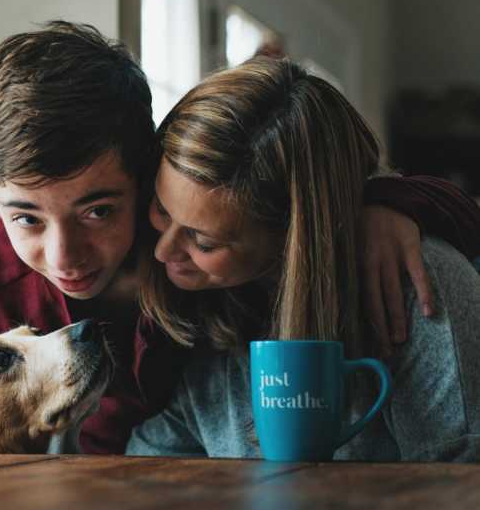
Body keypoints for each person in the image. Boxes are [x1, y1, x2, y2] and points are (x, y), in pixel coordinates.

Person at [0, 22, 480, 454]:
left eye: (98, 211)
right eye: (26, 218)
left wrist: (386, 202)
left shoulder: (199, 258)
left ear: (145, 171)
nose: (64, 256)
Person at [127, 57, 480, 461]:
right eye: (161, 208)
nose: (163, 250)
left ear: (292, 237)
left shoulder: (416, 284)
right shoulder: (202, 309)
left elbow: (461, 479)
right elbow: (152, 460)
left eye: (203, 242)